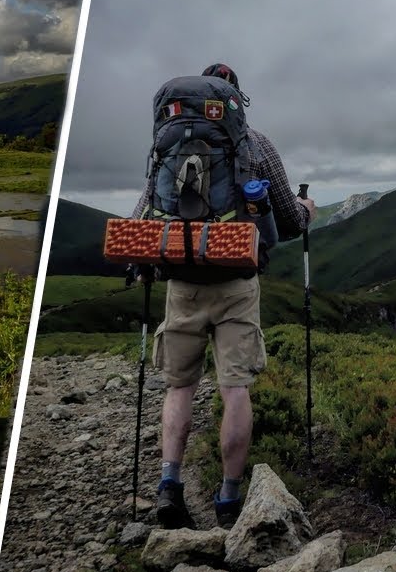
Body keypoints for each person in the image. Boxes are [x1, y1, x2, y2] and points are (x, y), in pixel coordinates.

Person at [129, 62, 316, 529]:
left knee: (180, 386)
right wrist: (307, 209)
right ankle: (229, 499)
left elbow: (148, 204)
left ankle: (169, 485)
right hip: (236, 282)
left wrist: (142, 260)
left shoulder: (169, 141)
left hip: (183, 280)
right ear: (235, 102)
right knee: (235, 389)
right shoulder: (255, 143)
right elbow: (288, 222)